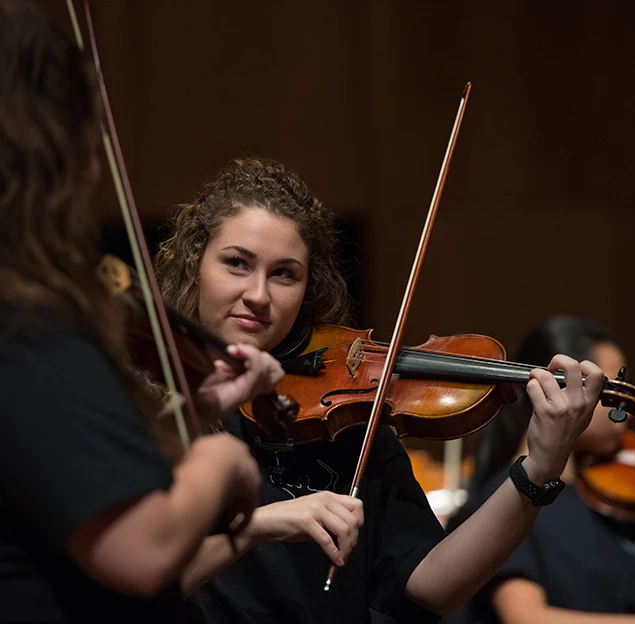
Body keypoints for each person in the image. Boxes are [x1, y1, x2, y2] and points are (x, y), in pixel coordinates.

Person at [154, 156, 604, 624]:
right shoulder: (146, 406)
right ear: (195, 263)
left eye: (284, 273)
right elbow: (125, 589)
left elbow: (433, 585)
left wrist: (540, 468)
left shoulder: (345, 422)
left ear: (308, 288)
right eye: (237, 264)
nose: (259, 295)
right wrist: (255, 528)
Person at [0, 2, 283, 621]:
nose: (97, 173)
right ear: (50, 152)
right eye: (88, 140)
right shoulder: (28, 324)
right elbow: (141, 548)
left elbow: (58, 477)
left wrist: (194, 416)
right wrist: (222, 460)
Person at [447, 316, 635, 624]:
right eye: (610, 389)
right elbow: (525, 617)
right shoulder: (513, 495)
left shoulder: (606, 491)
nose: (622, 407)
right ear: (562, 388)